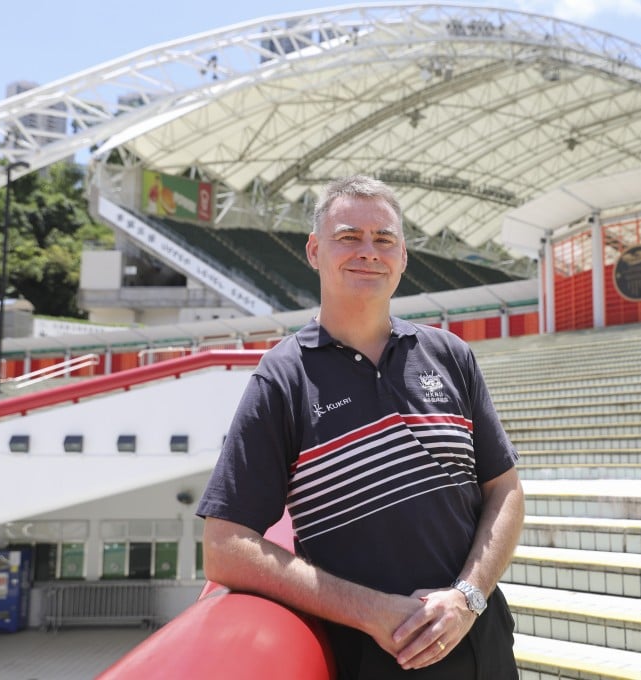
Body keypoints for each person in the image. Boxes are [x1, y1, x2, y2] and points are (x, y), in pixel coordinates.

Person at [196, 175, 525, 679]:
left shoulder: (450, 355)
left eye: (384, 239)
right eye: (349, 236)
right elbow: (225, 547)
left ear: (403, 256)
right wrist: (371, 611)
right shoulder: (282, 378)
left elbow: (504, 489)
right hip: (373, 655)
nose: (368, 251)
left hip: (479, 635)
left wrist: (467, 596)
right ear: (314, 250)